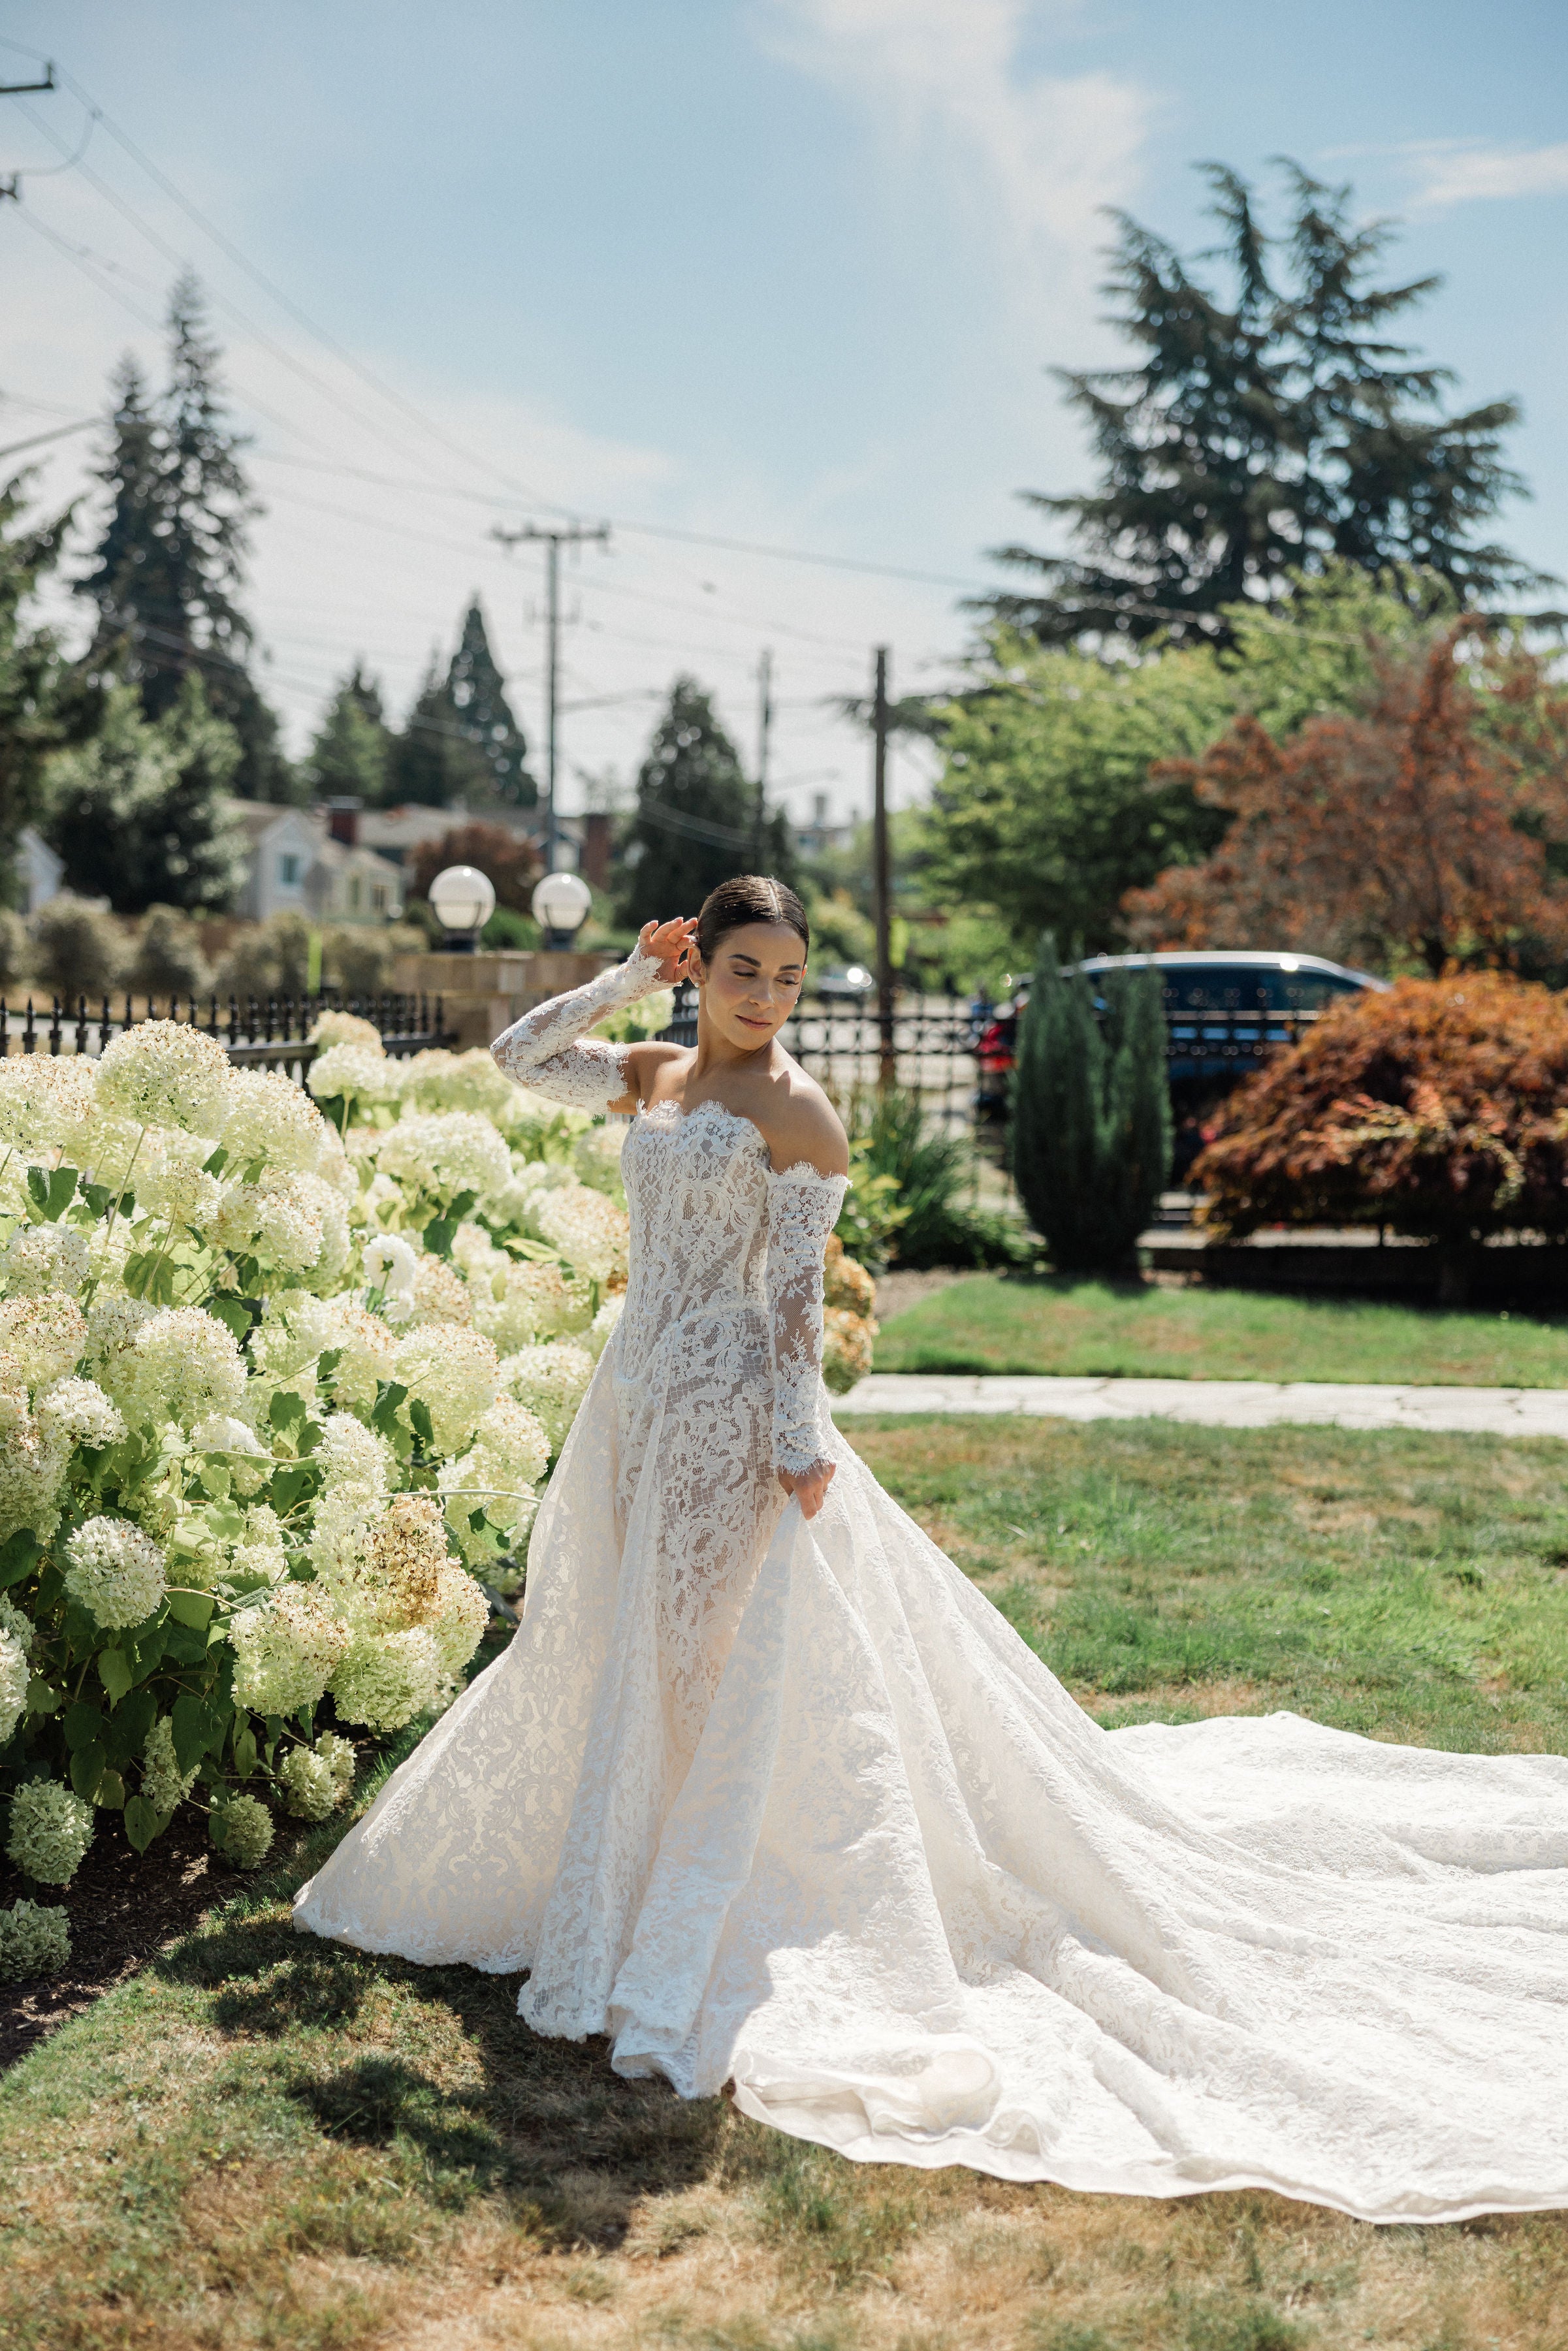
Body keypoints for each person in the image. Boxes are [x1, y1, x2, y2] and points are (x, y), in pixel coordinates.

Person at [296, 874, 1568, 2224]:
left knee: (703, 1649)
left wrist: (795, 1441)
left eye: (785, 978)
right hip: (633, 1397)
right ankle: (625, 1857)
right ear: (703, 963)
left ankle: (683, 1884)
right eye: (741, 969)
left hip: (729, 1407)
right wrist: (624, 975)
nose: (764, 998)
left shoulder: (800, 1113)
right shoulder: (656, 1068)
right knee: (613, 1627)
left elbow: (790, 1307)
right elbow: (519, 1058)